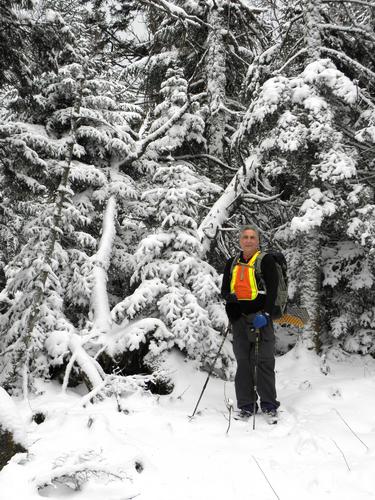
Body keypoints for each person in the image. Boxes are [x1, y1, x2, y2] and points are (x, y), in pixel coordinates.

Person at [221, 225, 280, 419]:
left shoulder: (266, 261)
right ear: (240, 240)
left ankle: (269, 404)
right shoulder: (231, 262)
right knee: (244, 362)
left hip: (261, 318)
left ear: (258, 241)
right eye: (245, 237)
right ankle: (246, 405)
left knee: (264, 361)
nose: (248, 240)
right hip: (239, 320)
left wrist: (267, 315)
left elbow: (273, 291)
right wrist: (232, 310)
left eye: (252, 237)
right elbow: (225, 291)